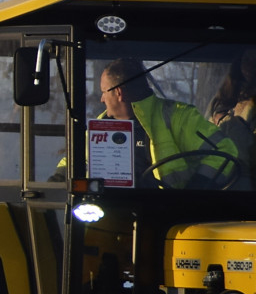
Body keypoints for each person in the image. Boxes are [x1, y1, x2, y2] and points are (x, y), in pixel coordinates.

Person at [98, 57, 239, 188]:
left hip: (170, 207)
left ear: (118, 93)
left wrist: (196, 189)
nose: (102, 99)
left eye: (103, 92)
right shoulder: (99, 128)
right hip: (114, 205)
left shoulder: (178, 117)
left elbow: (224, 150)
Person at [208, 49, 256, 189]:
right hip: (214, 175)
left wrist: (229, 123)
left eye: (254, 60)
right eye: (246, 59)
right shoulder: (224, 99)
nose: (250, 65)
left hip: (246, 182)